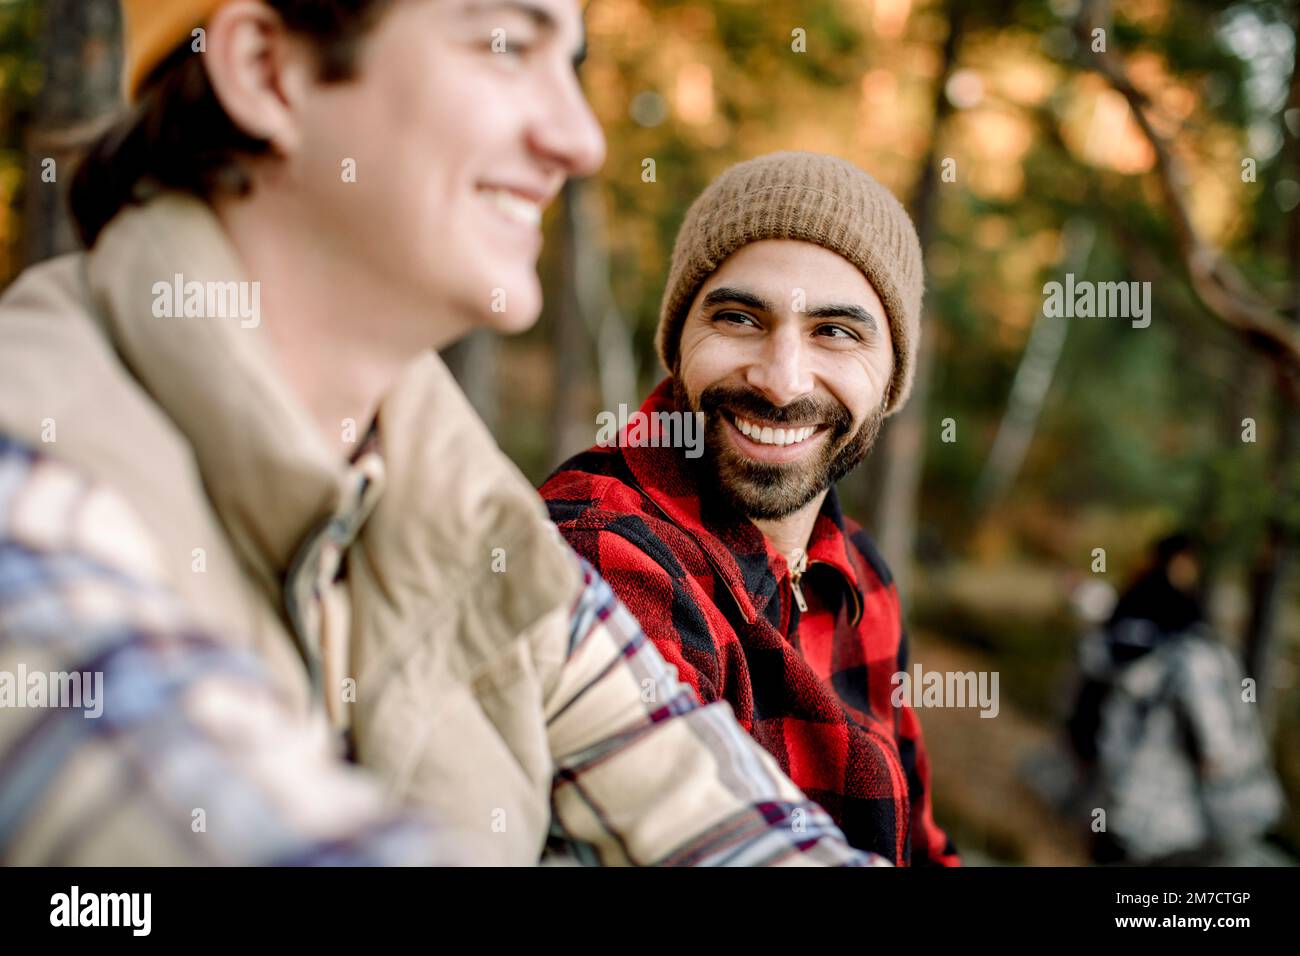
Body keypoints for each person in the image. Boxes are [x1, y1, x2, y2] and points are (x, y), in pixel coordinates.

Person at [0, 0, 885, 866]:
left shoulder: (474, 518)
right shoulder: (29, 486)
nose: (581, 140)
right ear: (267, 72)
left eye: (567, 63)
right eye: (506, 45)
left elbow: (726, 823)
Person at [540, 152, 959, 865]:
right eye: (738, 317)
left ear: (892, 379)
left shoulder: (865, 575)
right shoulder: (601, 549)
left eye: (837, 331)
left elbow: (922, 847)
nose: (780, 380)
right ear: (677, 343)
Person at [1066, 533, 1283, 864]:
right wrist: (1216, 751)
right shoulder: (1168, 611)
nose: (1191, 569)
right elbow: (1197, 688)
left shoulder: (1147, 602)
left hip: (1128, 739)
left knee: (1122, 824)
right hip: (1148, 743)